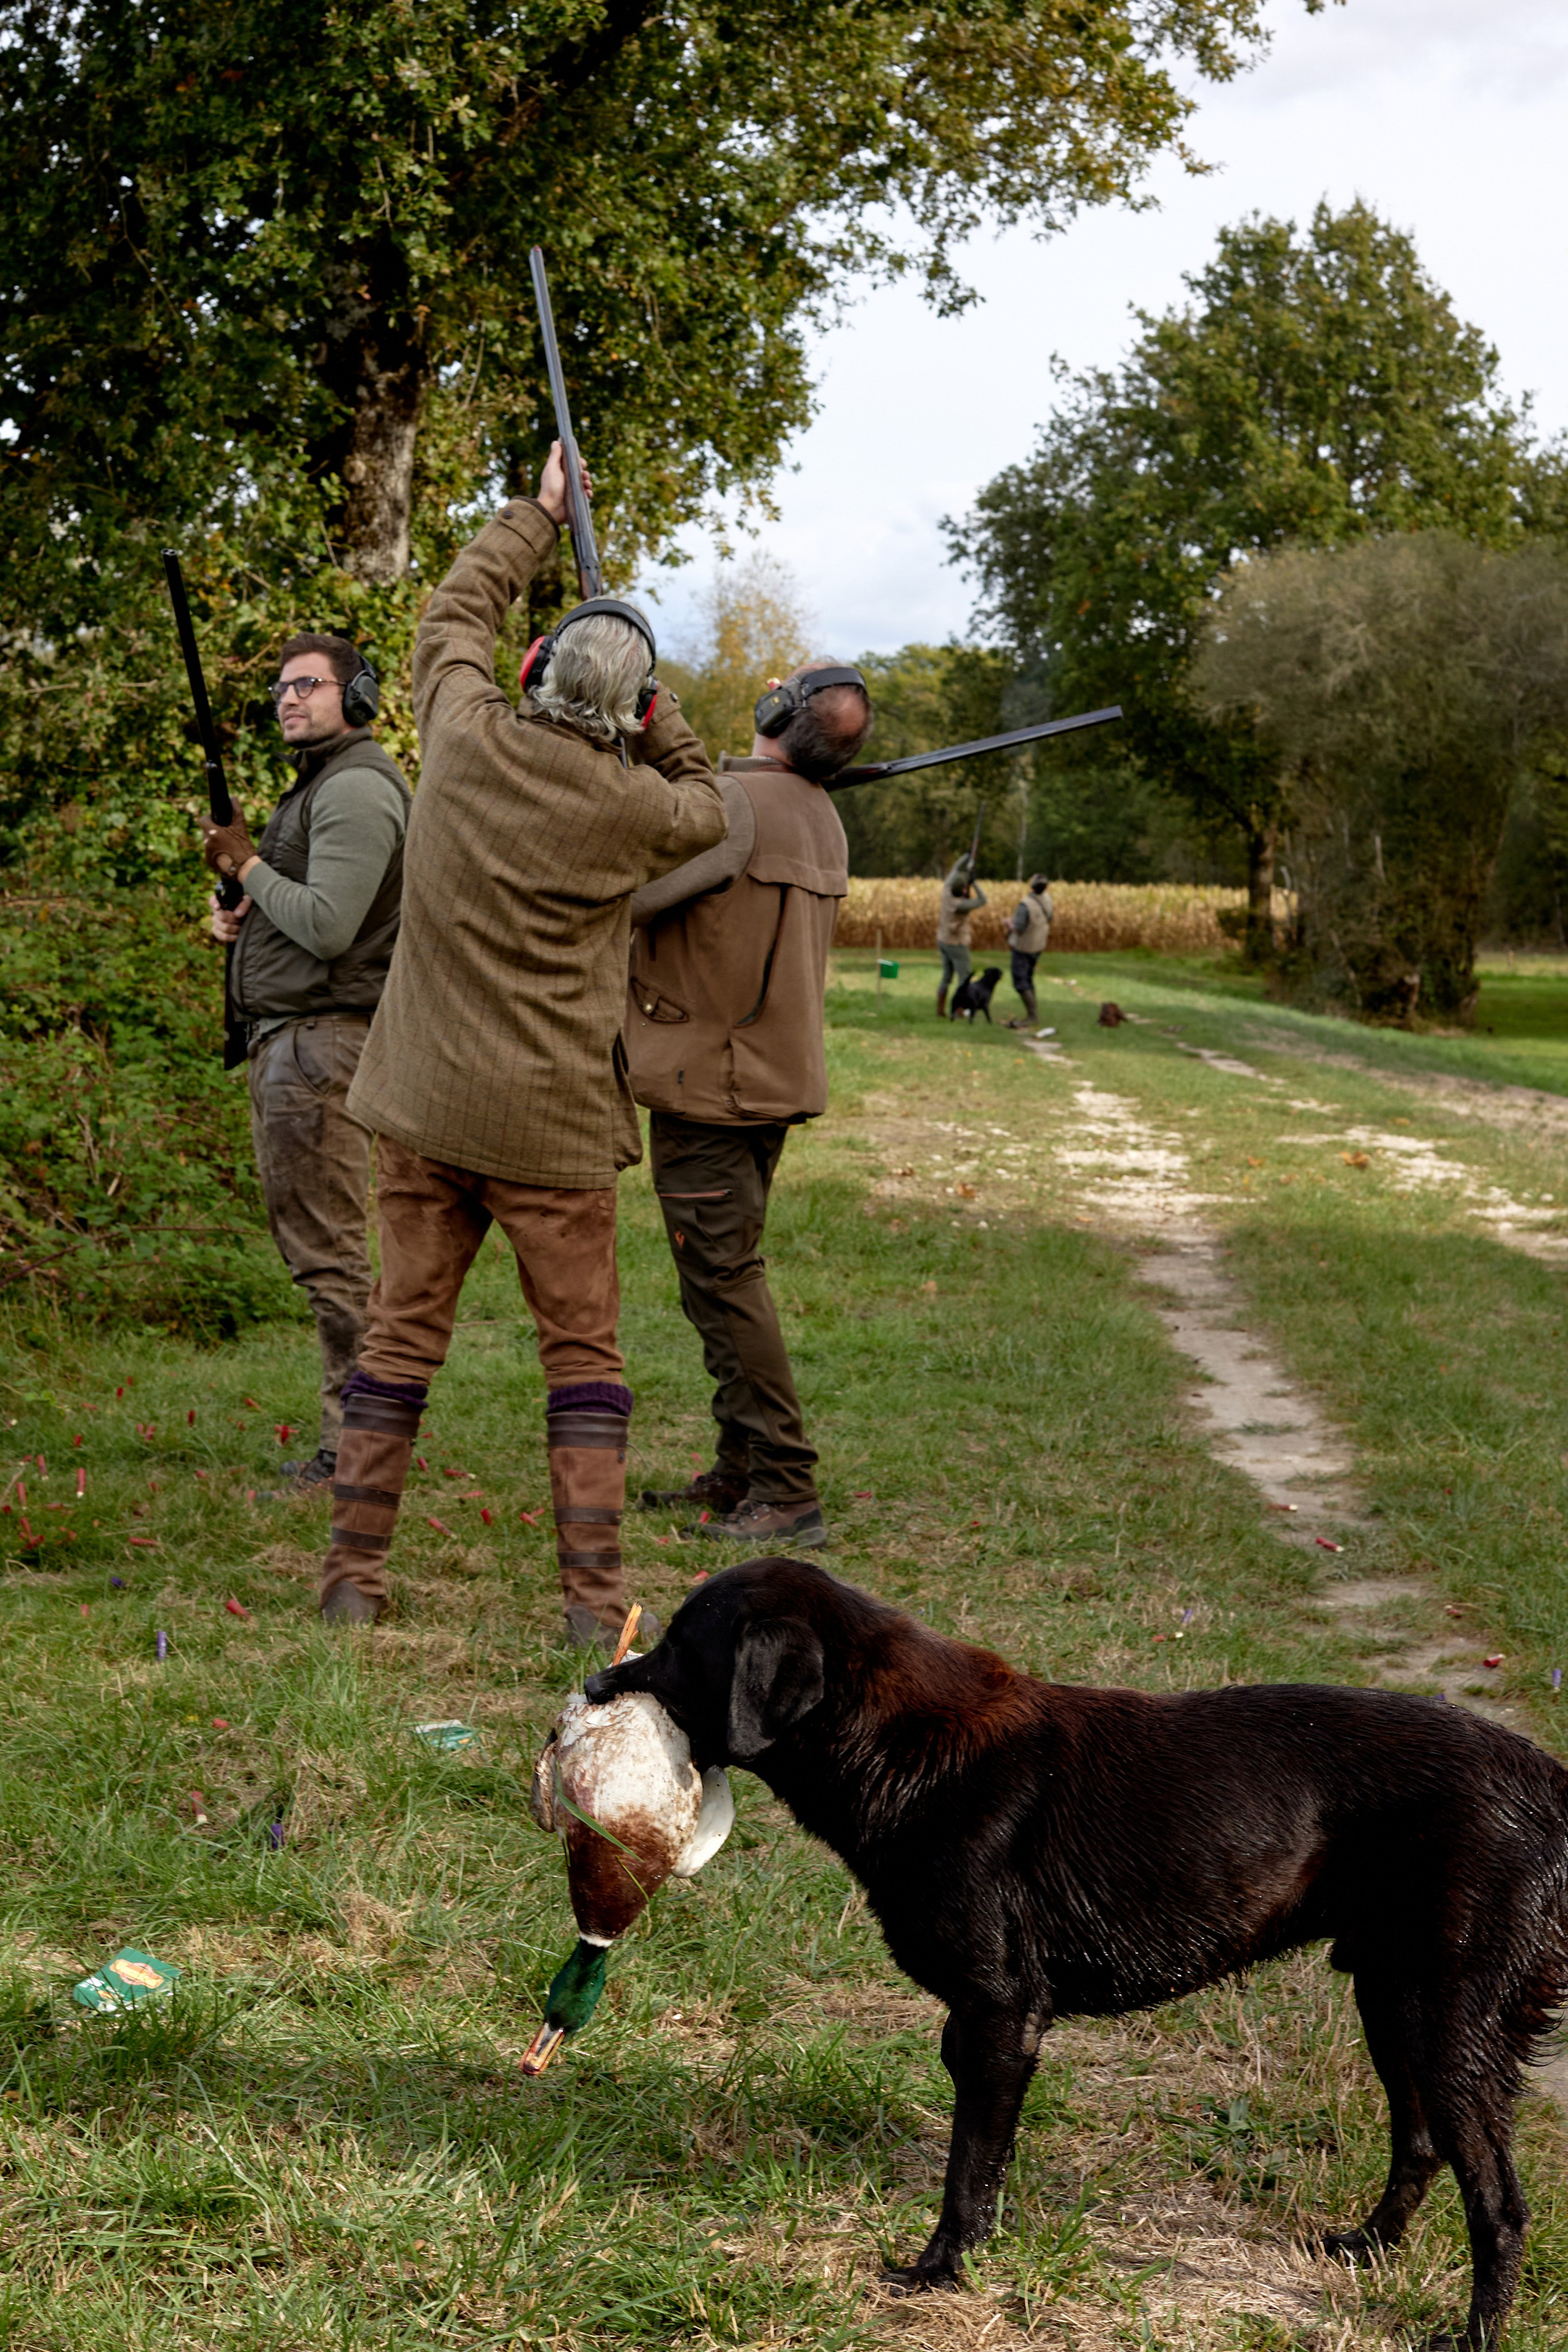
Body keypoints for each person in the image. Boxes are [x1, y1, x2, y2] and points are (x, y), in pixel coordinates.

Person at [312, 442, 727, 1638]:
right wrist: (654, 719)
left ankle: (350, 1580)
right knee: (581, 1366)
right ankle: (593, 1608)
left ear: (535, 669)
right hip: (549, 1127)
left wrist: (539, 516)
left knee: (399, 1341)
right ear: (627, 710)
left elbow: (455, 612)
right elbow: (713, 802)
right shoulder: (637, 803)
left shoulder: (460, 730)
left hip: (426, 1106)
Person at [625, 660, 869, 1548]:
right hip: (762, 1078)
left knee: (726, 1283)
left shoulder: (729, 804)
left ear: (777, 712)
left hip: (709, 1082)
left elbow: (629, 896)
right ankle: (740, 1464)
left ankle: (785, 1484)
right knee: (717, 1279)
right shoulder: (820, 815)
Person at [202, 635, 412, 1491]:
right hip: (300, 1041)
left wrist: (245, 860)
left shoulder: (357, 788)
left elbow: (329, 925)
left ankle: (354, 1450)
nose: (289, 699)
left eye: (308, 686)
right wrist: (240, 911)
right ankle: (356, 1441)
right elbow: (307, 913)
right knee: (324, 1252)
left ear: (354, 694)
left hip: (323, 1046)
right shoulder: (325, 784)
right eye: (282, 688)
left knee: (331, 1258)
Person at [935, 856, 987, 1017]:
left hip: (942, 940)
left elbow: (956, 869)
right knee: (964, 978)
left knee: (946, 976)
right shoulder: (961, 906)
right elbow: (983, 900)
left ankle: (940, 1009)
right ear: (963, 891)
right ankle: (959, 1010)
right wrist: (975, 883)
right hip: (957, 944)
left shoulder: (946, 891)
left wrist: (968, 856)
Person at [1006, 872, 1054, 1025]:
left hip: (1024, 946)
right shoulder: (1047, 900)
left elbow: (1018, 928)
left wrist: (1007, 923)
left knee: (1020, 981)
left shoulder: (1025, 904)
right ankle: (1033, 1015)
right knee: (1028, 978)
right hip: (1039, 945)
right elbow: (1050, 918)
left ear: (1032, 885)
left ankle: (1032, 1016)